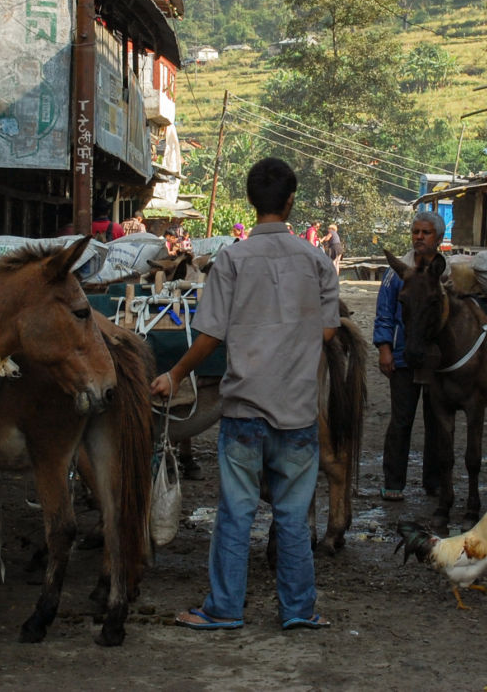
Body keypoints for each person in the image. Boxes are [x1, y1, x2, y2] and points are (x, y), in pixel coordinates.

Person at [151, 158, 339, 631]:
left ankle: (224, 608)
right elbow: (330, 333)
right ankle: (298, 611)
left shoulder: (231, 260)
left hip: (243, 411)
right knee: (293, 519)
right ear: (291, 201)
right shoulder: (317, 261)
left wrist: (173, 376)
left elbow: (209, 336)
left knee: (235, 514)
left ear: (252, 203)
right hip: (297, 413)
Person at [374, 211, 445, 501]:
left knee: (437, 422)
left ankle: (435, 482)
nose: (418, 237)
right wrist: (384, 350)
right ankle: (393, 482)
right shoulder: (397, 273)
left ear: (438, 238)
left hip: (438, 362)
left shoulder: (448, 274)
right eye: (415, 232)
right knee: (401, 420)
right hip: (402, 358)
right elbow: (384, 314)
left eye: (425, 233)